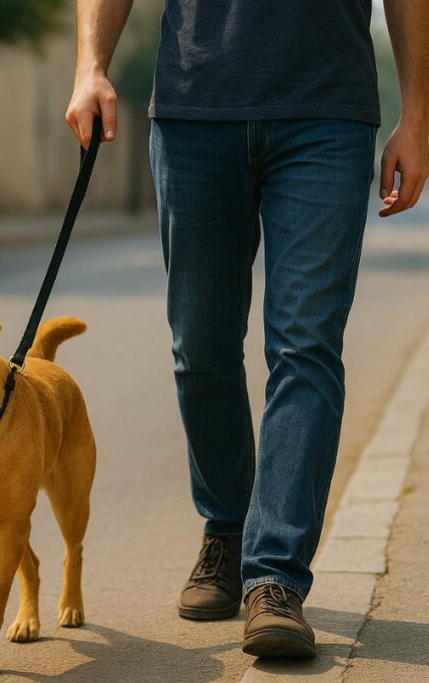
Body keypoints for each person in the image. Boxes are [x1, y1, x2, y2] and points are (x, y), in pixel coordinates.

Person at [67, 0, 428, 658]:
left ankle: (275, 577)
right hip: (194, 106)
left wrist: (418, 113)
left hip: (327, 112)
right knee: (199, 348)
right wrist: (90, 67)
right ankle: (226, 529)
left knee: (306, 346)